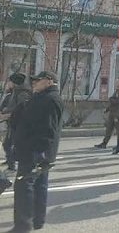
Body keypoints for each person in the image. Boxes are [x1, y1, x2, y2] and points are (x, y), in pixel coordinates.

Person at [11, 71, 64, 232]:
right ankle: (38, 220)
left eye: (37, 81)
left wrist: (40, 152)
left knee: (23, 185)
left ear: (49, 81)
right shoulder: (43, 98)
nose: (34, 83)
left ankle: (23, 224)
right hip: (40, 151)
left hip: (33, 150)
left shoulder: (48, 99)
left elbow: (48, 129)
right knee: (39, 184)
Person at [0, 73, 31, 171]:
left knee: (11, 144)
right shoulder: (14, 92)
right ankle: (10, 161)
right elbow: (11, 106)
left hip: (19, 124)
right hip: (12, 122)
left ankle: (13, 163)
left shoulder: (23, 94)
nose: (8, 83)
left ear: (14, 82)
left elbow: (20, 110)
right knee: (7, 144)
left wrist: (6, 115)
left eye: (10, 81)